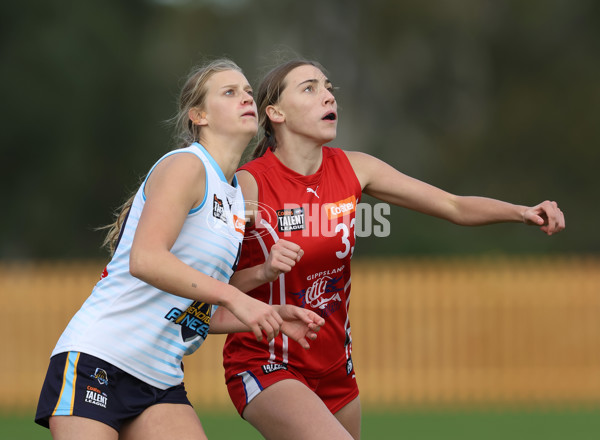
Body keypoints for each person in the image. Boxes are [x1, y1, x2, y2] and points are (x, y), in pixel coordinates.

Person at [222, 59, 566, 440]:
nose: (327, 95)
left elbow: (452, 205)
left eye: (328, 87)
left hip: (334, 363)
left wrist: (522, 212)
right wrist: (263, 272)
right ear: (276, 113)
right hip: (266, 360)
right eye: (309, 88)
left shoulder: (355, 168)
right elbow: (205, 289)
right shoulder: (249, 186)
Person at [34, 58, 324, 440]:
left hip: (160, 380)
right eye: (230, 92)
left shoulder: (236, 197)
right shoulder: (186, 166)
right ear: (198, 116)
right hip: (99, 358)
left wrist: (266, 313)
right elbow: (146, 260)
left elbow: (196, 309)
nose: (246, 98)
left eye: (248, 92)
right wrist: (238, 299)